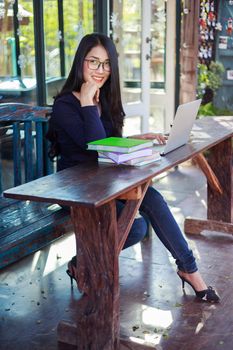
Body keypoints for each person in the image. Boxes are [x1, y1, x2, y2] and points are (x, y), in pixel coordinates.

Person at [46, 33, 219, 303]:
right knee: (136, 228)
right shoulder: (65, 105)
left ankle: (189, 270)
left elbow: (108, 142)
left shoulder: (104, 100)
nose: (100, 70)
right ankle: (86, 264)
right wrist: (86, 102)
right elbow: (95, 144)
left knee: (151, 202)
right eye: (93, 62)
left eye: (106, 64)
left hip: (106, 182)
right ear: (80, 62)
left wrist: (139, 138)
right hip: (78, 192)